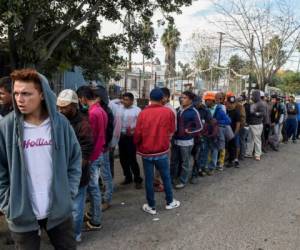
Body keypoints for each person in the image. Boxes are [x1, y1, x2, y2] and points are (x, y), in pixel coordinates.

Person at [0, 68, 81, 250]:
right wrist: (7, 203)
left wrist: (69, 193)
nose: (19, 99)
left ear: (42, 95)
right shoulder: (6, 127)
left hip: (59, 210)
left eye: (27, 94)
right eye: (16, 93)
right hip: (21, 213)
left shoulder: (60, 124)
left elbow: (74, 159)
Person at [134, 88, 180, 215]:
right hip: (162, 151)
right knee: (166, 177)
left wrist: (137, 145)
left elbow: (137, 133)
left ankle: (151, 206)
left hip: (146, 152)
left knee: (149, 179)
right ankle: (170, 202)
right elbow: (172, 130)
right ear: (162, 99)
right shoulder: (168, 112)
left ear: (150, 99)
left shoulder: (143, 113)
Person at [57, 89, 94, 242]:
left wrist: (74, 173)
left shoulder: (83, 124)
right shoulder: (60, 120)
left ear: (73, 105)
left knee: (76, 208)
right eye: (59, 107)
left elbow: (86, 152)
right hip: (61, 173)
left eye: (64, 107)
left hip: (77, 174)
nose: (61, 110)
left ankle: (75, 235)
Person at [77, 86, 108, 230]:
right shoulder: (100, 110)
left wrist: (88, 157)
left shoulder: (93, 113)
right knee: (93, 188)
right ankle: (92, 214)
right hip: (98, 152)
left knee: (93, 188)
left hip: (93, 155)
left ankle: (96, 220)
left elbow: (91, 138)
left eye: (79, 98)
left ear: (83, 98)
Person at [170, 91, 203, 189]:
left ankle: (182, 181)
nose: (181, 99)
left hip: (187, 142)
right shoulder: (179, 110)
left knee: (185, 162)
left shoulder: (194, 111)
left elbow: (200, 127)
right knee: (174, 161)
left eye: (184, 98)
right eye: (181, 97)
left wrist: (190, 131)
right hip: (176, 140)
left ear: (190, 100)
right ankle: (172, 178)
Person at [93, 85, 114, 211]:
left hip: (103, 147)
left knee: (105, 174)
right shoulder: (97, 110)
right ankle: (99, 196)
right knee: (97, 175)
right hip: (97, 148)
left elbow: (109, 130)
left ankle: (107, 199)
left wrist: (106, 145)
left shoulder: (105, 111)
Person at [118, 92, 143, 189]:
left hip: (131, 137)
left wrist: (134, 130)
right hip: (122, 136)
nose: (124, 101)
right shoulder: (120, 109)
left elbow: (141, 124)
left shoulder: (137, 110)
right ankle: (128, 177)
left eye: (127, 100)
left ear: (132, 101)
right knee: (122, 158)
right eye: (123, 99)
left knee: (132, 159)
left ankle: (138, 179)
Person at [245, 90, 265, 161]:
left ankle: (258, 154)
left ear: (256, 96)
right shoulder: (254, 103)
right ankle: (249, 153)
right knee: (250, 139)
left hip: (257, 124)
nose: (251, 97)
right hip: (252, 124)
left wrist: (255, 113)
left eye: (253, 95)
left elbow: (263, 113)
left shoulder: (260, 104)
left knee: (257, 140)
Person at [226, 95, 241, 168]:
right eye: (230, 103)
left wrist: (235, 133)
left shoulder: (236, 112)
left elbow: (238, 124)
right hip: (226, 132)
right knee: (228, 146)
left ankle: (233, 160)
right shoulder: (225, 111)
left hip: (233, 132)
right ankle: (230, 159)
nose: (231, 105)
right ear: (227, 103)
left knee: (233, 146)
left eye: (233, 103)